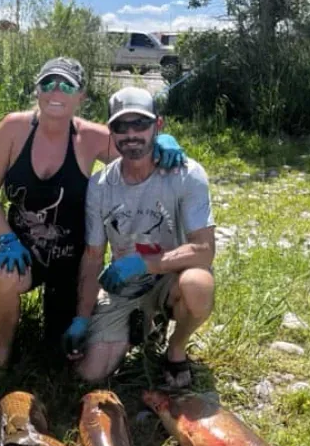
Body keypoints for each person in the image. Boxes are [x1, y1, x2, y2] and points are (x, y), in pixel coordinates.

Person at [0, 57, 186, 370]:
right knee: (2, 278)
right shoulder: (13, 128)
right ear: (37, 90)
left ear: (81, 96)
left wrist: (162, 141)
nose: (55, 91)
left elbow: (137, 151)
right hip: (21, 250)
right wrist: (5, 237)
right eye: (48, 83)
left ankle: (142, 321)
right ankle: (3, 355)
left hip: (71, 258)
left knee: (64, 352)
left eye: (66, 85)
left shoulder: (91, 137)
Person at [62, 86, 215, 388]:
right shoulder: (100, 185)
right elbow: (93, 257)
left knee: (197, 284)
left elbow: (204, 251)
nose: (131, 134)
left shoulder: (187, 174)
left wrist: (142, 264)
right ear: (111, 131)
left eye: (140, 124)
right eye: (121, 126)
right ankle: (144, 324)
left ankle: (176, 348)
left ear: (158, 125)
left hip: (173, 277)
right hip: (125, 287)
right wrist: (81, 317)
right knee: (90, 373)